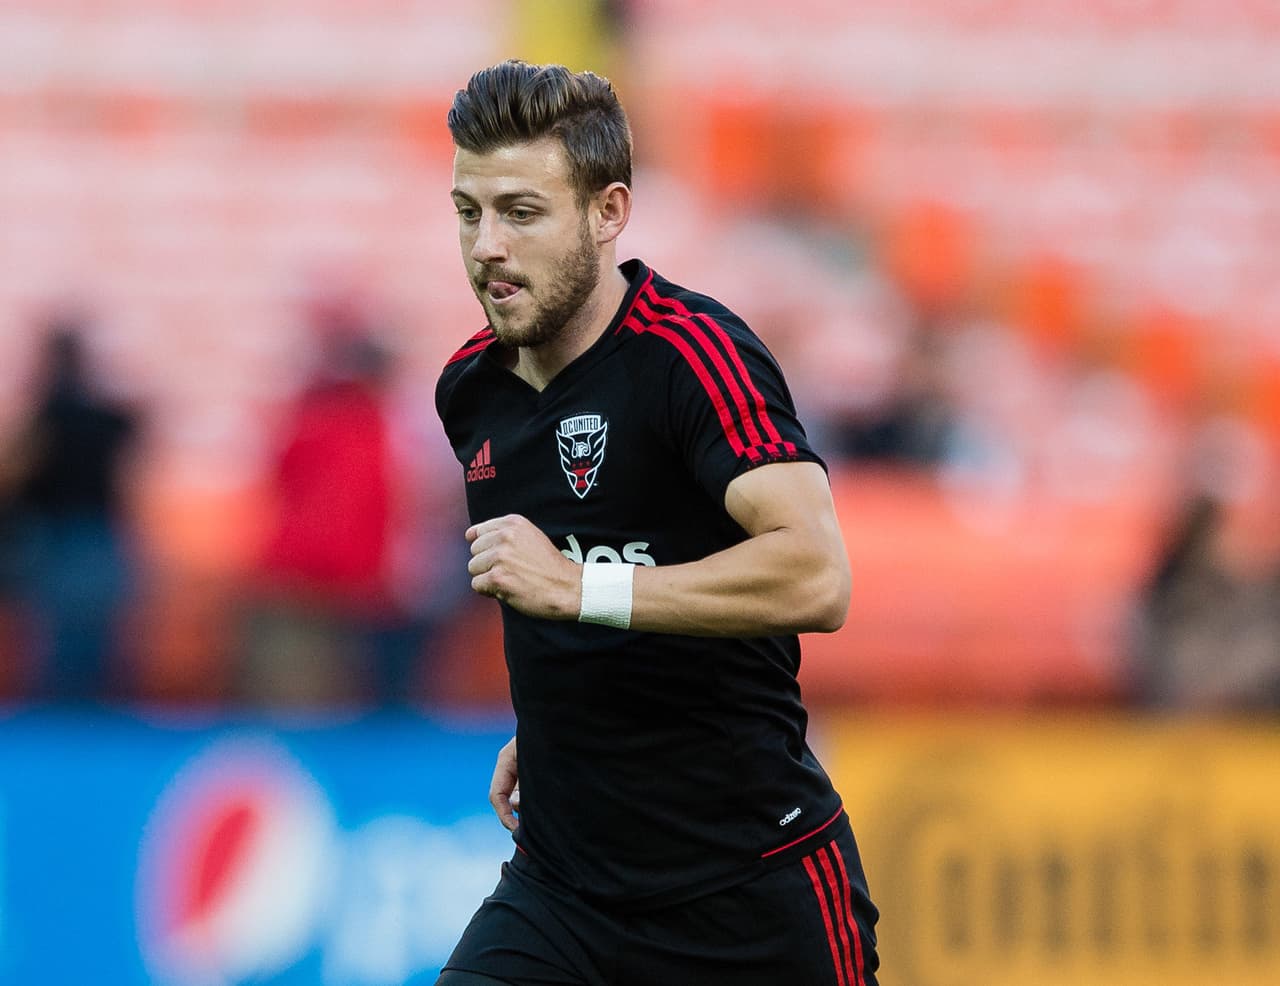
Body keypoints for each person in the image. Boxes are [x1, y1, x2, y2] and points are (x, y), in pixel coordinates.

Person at [433, 61, 879, 986]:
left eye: (521, 211)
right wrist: (561, 726)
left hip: (745, 890)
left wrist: (578, 585)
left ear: (608, 212)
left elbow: (816, 577)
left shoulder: (694, 356)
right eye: (469, 211)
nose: (486, 246)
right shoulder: (469, 391)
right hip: (562, 891)